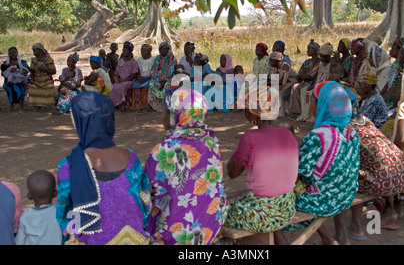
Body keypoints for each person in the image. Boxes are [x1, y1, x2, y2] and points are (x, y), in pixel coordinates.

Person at [56, 92, 151, 245]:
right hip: (133, 239)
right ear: (110, 121)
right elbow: (145, 204)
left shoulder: (68, 166)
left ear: (79, 122)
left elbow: (63, 214)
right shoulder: (131, 158)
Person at [144, 87, 229, 245]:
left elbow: (152, 200)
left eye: (165, 111)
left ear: (175, 115)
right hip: (211, 223)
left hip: (177, 235)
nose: (162, 116)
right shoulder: (211, 142)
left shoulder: (161, 152)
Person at [283, 81, 360, 245]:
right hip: (346, 194)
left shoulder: (317, 136)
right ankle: (336, 238)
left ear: (322, 105)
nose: (310, 104)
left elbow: (300, 174)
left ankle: (328, 239)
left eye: (312, 100)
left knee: (274, 200)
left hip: (324, 199)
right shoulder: (351, 132)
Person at [226, 85, 298, 245]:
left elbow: (232, 173)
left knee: (216, 210)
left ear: (252, 114)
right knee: (241, 197)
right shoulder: (288, 134)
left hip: (262, 214)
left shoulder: (250, 137)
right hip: (286, 207)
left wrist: (238, 154)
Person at [347, 114, 404, 239]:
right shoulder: (363, 119)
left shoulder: (345, 128)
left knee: (352, 177)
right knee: (381, 168)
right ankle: (390, 209)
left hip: (387, 178)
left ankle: (356, 227)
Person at [15, 170, 62, 245]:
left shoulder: (26, 215)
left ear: (29, 196)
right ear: (55, 193)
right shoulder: (59, 212)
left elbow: (19, 242)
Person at [297, 42, 333, 122]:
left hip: (325, 86)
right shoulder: (320, 64)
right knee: (304, 90)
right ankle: (305, 115)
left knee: (312, 93)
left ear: (328, 57)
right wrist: (314, 85)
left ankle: (313, 117)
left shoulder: (331, 65)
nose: (321, 58)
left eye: (323, 56)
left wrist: (315, 86)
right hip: (317, 84)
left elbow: (326, 80)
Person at [288, 39, 320, 116]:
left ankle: (300, 112)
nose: (307, 51)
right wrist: (301, 76)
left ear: (315, 51)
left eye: (309, 49)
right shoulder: (307, 61)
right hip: (304, 81)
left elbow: (311, 75)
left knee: (296, 87)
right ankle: (296, 111)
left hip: (311, 83)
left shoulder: (318, 62)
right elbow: (300, 72)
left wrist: (302, 76)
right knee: (294, 87)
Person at [148, 42, 177, 112]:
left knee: (167, 85)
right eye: (161, 49)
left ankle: (167, 106)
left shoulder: (172, 58)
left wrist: (165, 80)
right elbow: (154, 70)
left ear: (168, 49)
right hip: (158, 78)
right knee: (151, 84)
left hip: (169, 78)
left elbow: (171, 71)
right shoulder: (157, 58)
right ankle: (154, 106)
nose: (163, 51)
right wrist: (158, 79)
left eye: (165, 49)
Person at [109, 41, 139, 111]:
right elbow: (116, 72)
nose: (124, 52)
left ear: (129, 52)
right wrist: (118, 79)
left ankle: (123, 104)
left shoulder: (133, 62)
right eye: (123, 50)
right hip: (121, 80)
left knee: (122, 87)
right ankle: (115, 104)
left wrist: (125, 80)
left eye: (125, 51)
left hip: (130, 81)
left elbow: (134, 74)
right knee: (113, 87)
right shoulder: (120, 61)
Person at [1, 46, 31, 112]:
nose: (13, 54)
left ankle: (21, 105)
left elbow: (28, 70)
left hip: (21, 80)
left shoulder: (22, 62)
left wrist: (23, 73)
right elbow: (3, 73)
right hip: (9, 81)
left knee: (21, 88)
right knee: (11, 87)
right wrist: (10, 71)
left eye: (14, 52)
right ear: (8, 54)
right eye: (11, 53)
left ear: (17, 53)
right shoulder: (6, 64)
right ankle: (12, 105)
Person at [28, 43, 57, 110]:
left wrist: (45, 69)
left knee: (48, 87)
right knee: (33, 88)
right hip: (37, 79)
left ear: (41, 50)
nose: (34, 52)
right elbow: (32, 71)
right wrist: (32, 79)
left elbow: (53, 71)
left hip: (46, 79)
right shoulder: (34, 60)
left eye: (35, 50)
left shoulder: (49, 59)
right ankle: (37, 105)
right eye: (33, 51)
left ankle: (47, 105)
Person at [268, 51, 297, 116]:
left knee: (281, 91)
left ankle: (282, 112)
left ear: (277, 61)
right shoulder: (274, 68)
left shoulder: (285, 66)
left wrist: (273, 83)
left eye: (272, 61)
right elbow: (273, 79)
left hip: (291, 81)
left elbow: (283, 82)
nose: (270, 62)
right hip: (281, 83)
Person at [131, 44, 156, 111]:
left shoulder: (153, 59)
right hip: (141, 78)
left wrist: (146, 79)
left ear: (149, 51)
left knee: (145, 87)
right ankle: (138, 105)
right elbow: (138, 71)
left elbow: (154, 72)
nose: (142, 52)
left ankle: (145, 106)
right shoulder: (139, 60)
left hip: (149, 78)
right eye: (141, 50)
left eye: (145, 51)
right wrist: (139, 78)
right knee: (135, 86)